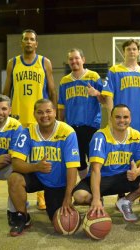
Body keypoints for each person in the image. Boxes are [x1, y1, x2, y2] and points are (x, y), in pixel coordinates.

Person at [73, 104, 140, 222]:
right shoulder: (100, 137)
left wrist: (138, 171)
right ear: (111, 118)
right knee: (80, 196)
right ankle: (98, 202)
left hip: (123, 178)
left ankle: (125, 201)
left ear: (130, 119)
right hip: (102, 179)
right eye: (118, 117)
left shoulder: (136, 136)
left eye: (125, 117)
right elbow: (95, 170)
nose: (122, 120)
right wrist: (96, 198)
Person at [7, 99, 79, 237]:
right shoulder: (27, 132)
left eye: (48, 111)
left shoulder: (68, 132)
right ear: (34, 114)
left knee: (58, 222)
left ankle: (56, 201)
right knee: (14, 178)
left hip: (58, 181)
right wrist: (36, 167)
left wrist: (67, 196)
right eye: (40, 112)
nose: (44, 115)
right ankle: (22, 217)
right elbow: (16, 163)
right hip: (37, 174)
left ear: (55, 113)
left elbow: (72, 167)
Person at [3, 29, 57, 210]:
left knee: (41, 155)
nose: (28, 42)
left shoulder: (44, 62)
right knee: (18, 157)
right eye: (25, 39)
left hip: (39, 118)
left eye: (31, 39)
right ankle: (21, 195)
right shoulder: (13, 63)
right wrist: (4, 114)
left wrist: (54, 112)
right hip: (17, 117)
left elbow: (51, 90)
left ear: (36, 43)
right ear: (21, 42)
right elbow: (6, 90)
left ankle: (42, 196)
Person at [101, 39, 140, 206]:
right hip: (121, 123)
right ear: (123, 52)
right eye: (128, 49)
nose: (132, 52)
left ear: (138, 52)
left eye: (134, 49)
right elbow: (108, 95)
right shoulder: (114, 71)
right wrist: (112, 118)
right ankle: (121, 194)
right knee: (122, 158)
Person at [58, 48, 103, 180]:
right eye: (71, 59)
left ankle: (95, 188)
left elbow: (106, 100)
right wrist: (60, 125)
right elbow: (61, 107)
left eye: (76, 58)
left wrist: (97, 94)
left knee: (94, 159)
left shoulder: (94, 77)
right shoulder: (64, 81)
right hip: (71, 128)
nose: (74, 61)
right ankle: (85, 185)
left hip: (91, 126)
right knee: (79, 161)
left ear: (83, 59)